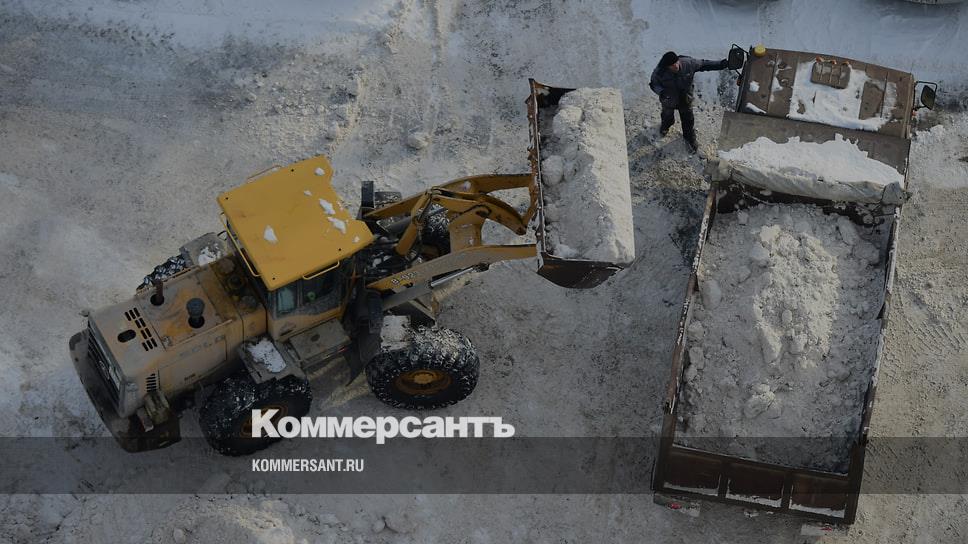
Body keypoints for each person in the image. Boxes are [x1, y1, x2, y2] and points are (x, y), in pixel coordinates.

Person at [649, 51, 729, 153]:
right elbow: (653, 84)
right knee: (667, 118)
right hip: (669, 100)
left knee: (688, 122)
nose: (675, 66)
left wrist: (722, 64)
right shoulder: (659, 72)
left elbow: (704, 64)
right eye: (672, 66)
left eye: (676, 63)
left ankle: (690, 140)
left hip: (685, 99)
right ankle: (665, 127)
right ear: (667, 66)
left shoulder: (688, 63)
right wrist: (661, 92)